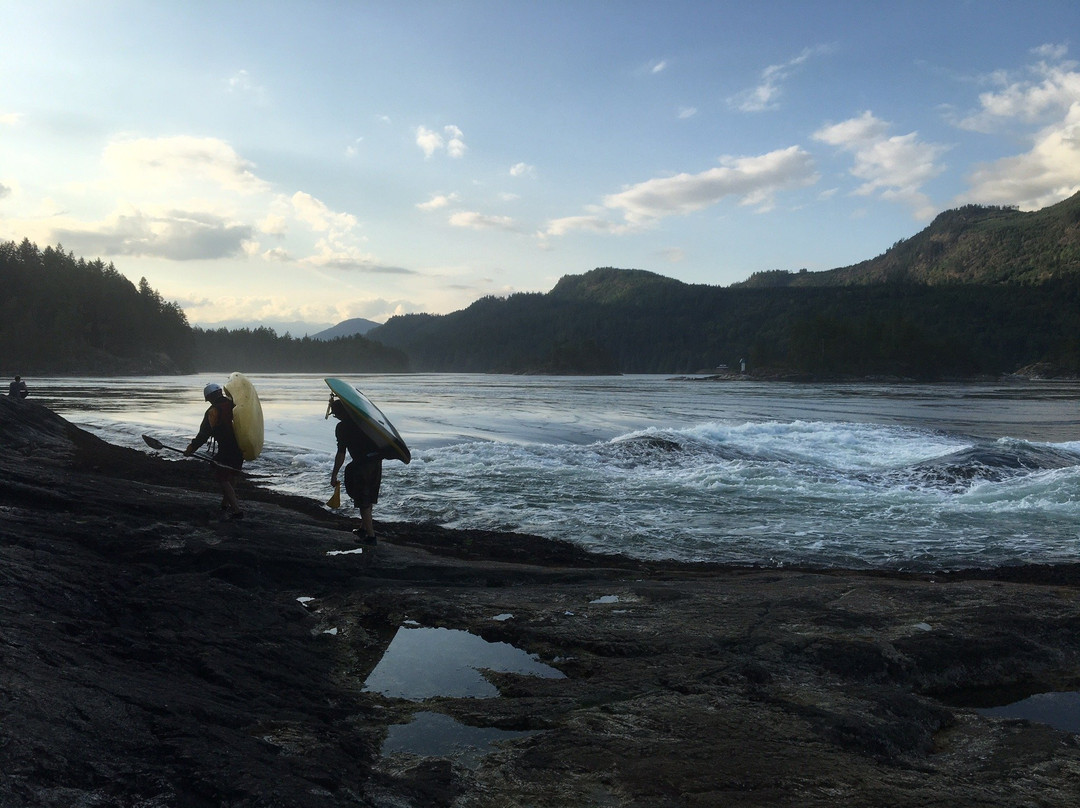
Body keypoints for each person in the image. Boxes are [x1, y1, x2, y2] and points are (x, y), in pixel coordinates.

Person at [185, 382, 244, 520]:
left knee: (222, 478)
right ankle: (224, 505)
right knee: (232, 476)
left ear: (210, 397)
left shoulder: (213, 411)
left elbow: (203, 435)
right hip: (240, 447)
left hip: (226, 449)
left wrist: (191, 448)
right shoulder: (235, 405)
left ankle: (237, 511)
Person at [329, 397, 382, 544]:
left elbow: (341, 453)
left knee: (362, 500)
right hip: (376, 461)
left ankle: (371, 537)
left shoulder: (342, 427)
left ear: (339, 413)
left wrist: (334, 475)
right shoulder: (365, 422)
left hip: (362, 465)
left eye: (335, 414)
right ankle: (363, 528)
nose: (336, 417)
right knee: (369, 496)